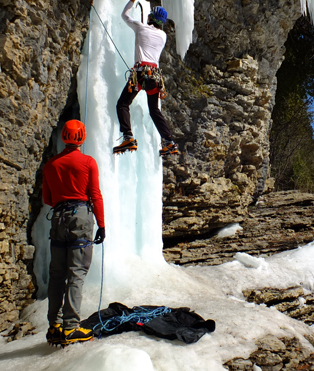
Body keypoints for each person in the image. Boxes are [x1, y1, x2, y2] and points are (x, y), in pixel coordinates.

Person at [42, 119, 106, 346]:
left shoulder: (51, 165)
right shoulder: (88, 162)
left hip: (58, 219)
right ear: (82, 137)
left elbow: (47, 199)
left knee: (57, 273)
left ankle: (54, 326)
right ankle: (71, 327)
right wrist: (102, 224)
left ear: (64, 137)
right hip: (80, 218)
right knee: (76, 272)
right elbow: (95, 194)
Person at [114, 1, 178, 157]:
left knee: (123, 103)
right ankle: (169, 142)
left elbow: (125, 15)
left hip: (140, 74)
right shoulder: (163, 36)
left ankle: (128, 136)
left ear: (150, 17)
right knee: (154, 110)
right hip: (154, 76)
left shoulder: (141, 27)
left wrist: (132, 1)